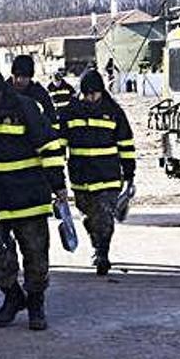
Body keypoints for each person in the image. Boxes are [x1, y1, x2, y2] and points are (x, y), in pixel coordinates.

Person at [0, 65, 67, 330]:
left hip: (27, 195)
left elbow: (49, 147)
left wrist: (58, 185)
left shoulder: (25, 108)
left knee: (35, 254)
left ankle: (36, 303)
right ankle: (13, 296)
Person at [59, 70, 135, 276]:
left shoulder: (114, 112)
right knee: (89, 217)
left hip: (108, 177)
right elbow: (59, 146)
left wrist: (129, 174)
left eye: (95, 93)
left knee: (104, 217)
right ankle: (96, 245)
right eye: (87, 94)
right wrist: (55, 177)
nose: (91, 98)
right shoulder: (69, 113)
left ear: (102, 92)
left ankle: (103, 253)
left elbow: (126, 144)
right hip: (81, 178)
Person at [7, 55, 58, 130]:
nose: (19, 80)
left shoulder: (40, 94)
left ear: (30, 76)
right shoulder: (3, 92)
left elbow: (52, 120)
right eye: (16, 75)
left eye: (24, 76)